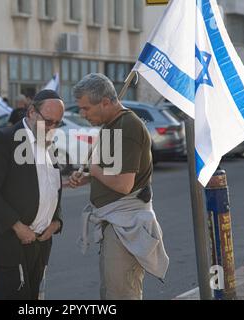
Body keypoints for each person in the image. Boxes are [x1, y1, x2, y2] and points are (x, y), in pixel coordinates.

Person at [69, 74, 169, 300]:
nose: (82, 115)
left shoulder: (128, 126)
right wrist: (88, 177)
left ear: (105, 102)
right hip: (113, 223)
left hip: (126, 223)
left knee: (121, 294)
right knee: (110, 293)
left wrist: (94, 171)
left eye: (86, 108)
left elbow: (124, 185)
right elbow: (112, 173)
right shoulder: (111, 126)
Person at [0, 89, 65, 300]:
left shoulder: (48, 143)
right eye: (48, 121)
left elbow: (53, 188)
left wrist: (57, 221)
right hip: (10, 242)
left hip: (41, 244)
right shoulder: (4, 139)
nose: (52, 128)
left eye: (57, 123)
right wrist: (17, 226)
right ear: (31, 112)